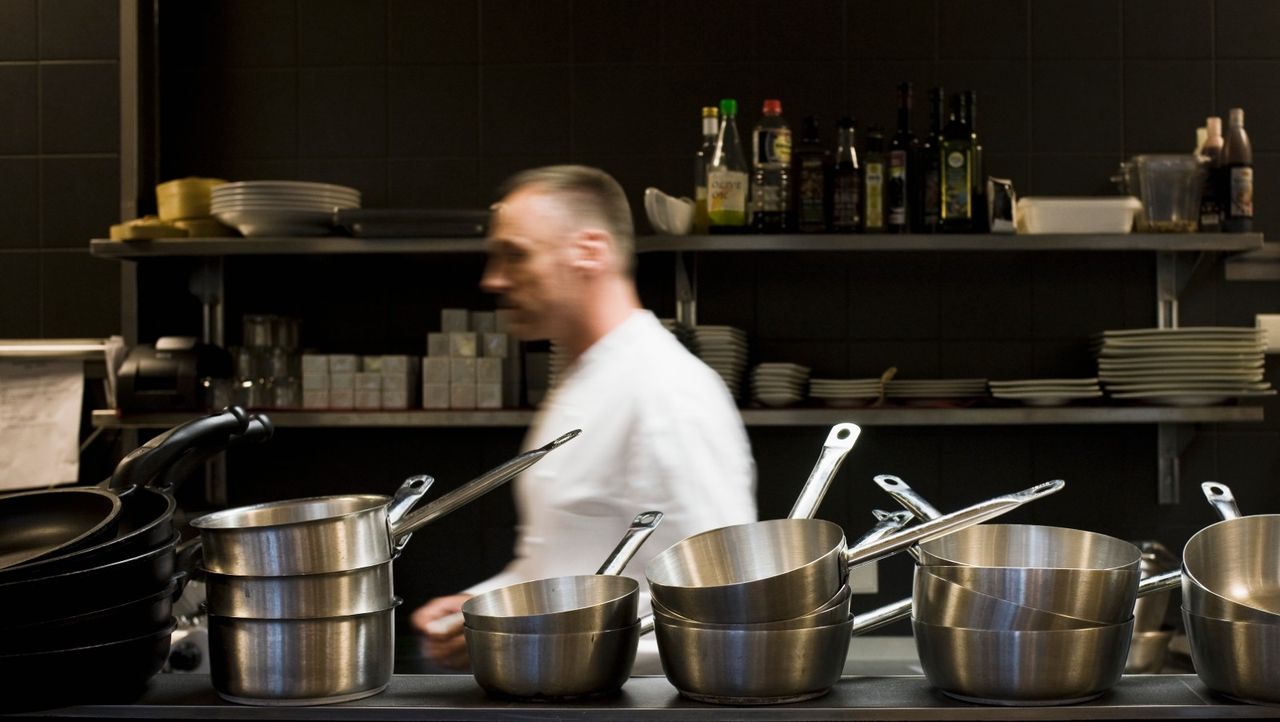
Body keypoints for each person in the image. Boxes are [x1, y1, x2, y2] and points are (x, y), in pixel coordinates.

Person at [410, 165, 757, 669]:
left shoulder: (665, 392)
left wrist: (528, 640)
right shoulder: (581, 381)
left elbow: (721, 611)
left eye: (516, 254)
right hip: (569, 698)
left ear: (588, 252)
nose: (494, 279)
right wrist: (488, 606)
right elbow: (561, 561)